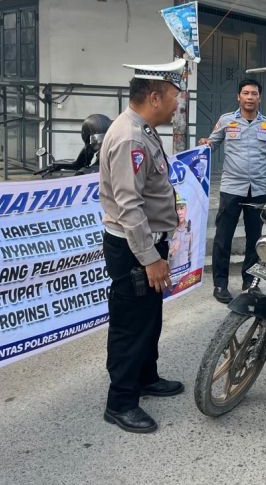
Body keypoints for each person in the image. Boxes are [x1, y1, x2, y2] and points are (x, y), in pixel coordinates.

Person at [98, 59, 186, 434]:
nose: (177, 108)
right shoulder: (130, 137)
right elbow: (128, 206)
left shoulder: (143, 129)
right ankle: (120, 402)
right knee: (131, 325)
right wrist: (150, 258)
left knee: (149, 319)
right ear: (154, 96)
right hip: (135, 249)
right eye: (174, 100)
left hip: (149, 244)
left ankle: (145, 377)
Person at [200, 79, 266, 303]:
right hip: (231, 189)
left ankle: (250, 282)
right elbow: (212, 143)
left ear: (259, 98)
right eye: (246, 93)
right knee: (223, 238)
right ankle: (220, 284)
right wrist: (205, 143)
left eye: (254, 93)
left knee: (255, 239)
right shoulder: (226, 121)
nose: (250, 97)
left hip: (258, 189)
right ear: (238, 97)